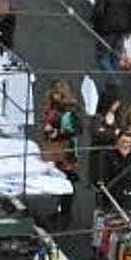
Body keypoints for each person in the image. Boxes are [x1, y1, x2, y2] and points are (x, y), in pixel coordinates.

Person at [41, 79, 81, 225]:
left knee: (68, 180)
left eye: (58, 93)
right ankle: (60, 211)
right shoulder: (53, 106)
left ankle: (65, 214)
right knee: (59, 178)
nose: (55, 96)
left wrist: (56, 132)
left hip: (66, 150)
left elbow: (77, 130)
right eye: (54, 92)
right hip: (54, 147)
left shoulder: (70, 110)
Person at [97, 131, 131, 221]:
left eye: (127, 142)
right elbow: (102, 173)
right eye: (123, 141)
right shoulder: (108, 155)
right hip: (112, 194)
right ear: (117, 142)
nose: (125, 144)